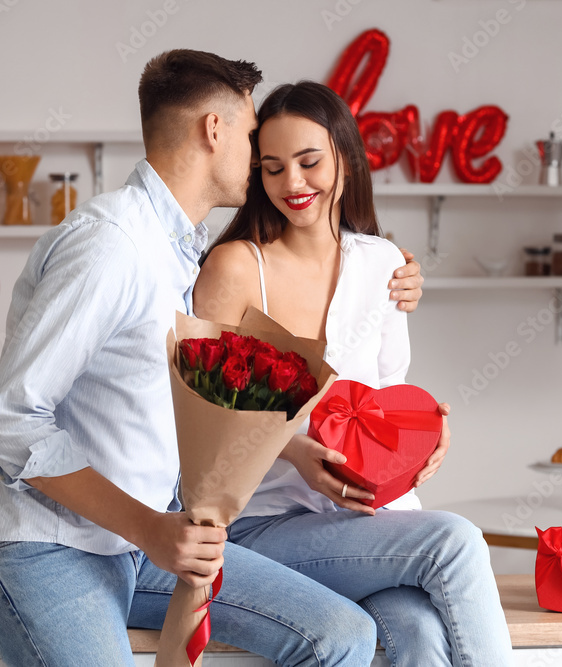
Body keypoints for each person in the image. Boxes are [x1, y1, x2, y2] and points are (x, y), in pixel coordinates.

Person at [0, 52, 426, 666]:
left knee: (341, 635)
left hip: (147, 544)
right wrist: (150, 529)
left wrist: (389, 271)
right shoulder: (111, 246)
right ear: (215, 129)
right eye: (252, 132)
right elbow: (10, 421)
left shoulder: (182, 251)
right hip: (50, 547)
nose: (260, 155)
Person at [194, 81, 515, 667]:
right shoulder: (236, 267)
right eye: (272, 168)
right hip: (264, 527)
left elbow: (386, 401)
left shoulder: (384, 264)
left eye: (309, 161)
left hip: (367, 524)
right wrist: (291, 450)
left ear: (345, 157)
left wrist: (424, 434)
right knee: (456, 541)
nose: (292, 183)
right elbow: (199, 417)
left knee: (420, 635)